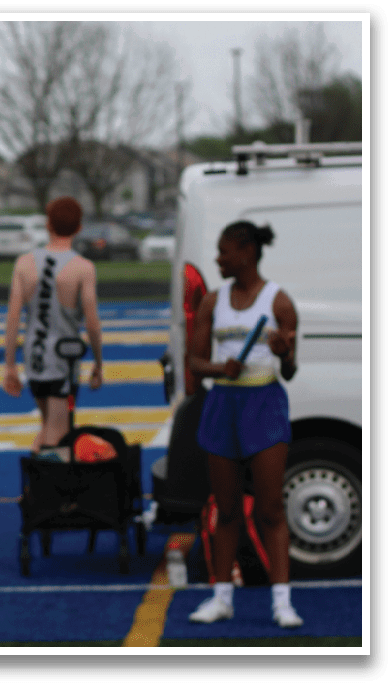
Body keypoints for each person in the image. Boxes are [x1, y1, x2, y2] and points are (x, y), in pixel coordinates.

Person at [186, 221, 302, 629]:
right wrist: (222, 368)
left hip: (264, 402)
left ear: (247, 252)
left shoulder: (279, 302)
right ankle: (221, 598)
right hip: (224, 404)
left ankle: (282, 602)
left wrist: (284, 353)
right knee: (227, 509)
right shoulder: (212, 301)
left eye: (224, 252)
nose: (218, 259)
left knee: (270, 508)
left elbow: (290, 371)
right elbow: (194, 362)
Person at [2, 196, 104, 453]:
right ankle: (41, 477)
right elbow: (92, 322)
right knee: (58, 434)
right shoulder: (83, 268)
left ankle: (37, 473)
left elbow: (13, 317)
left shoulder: (24, 263)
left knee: (49, 425)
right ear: (79, 227)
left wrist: (10, 365)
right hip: (63, 360)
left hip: (34, 357)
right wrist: (98, 362)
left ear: (48, 224)